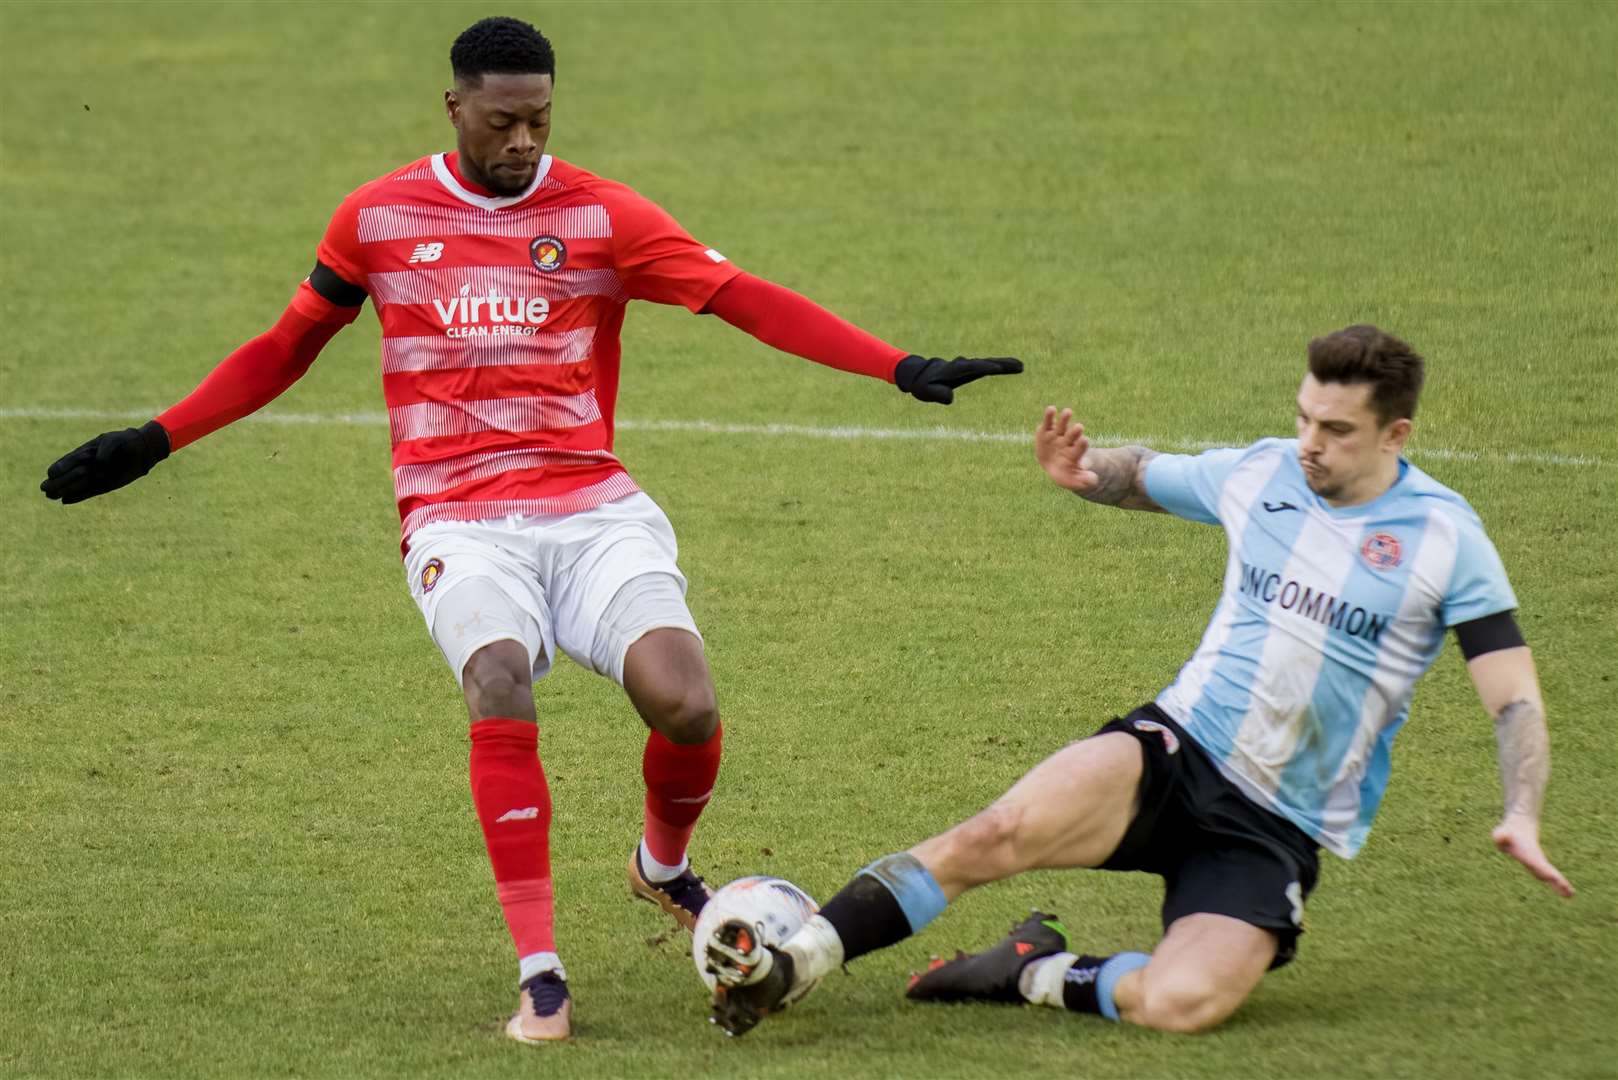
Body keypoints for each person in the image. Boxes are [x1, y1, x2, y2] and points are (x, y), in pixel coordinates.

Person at [37, 17, 1021, 1044]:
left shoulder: (600, 214)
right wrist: (155, 439)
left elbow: (741, 299)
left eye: (539, 122)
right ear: (453, 107)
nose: (521, 143)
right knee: (497, 676)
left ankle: (663, 868)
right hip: (455, 517)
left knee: (685, 704)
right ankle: (541, 973)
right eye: (502, 122)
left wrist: (896, 365)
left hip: (592, 511)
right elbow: (286, 347)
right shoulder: (375, 218)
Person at [705, 324, 1574, 1037]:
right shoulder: (1265, 471)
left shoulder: (1443, 539)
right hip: (1175, 749)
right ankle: (790, 964)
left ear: (1396, 435)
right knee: (994, 832)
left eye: (1337, 431)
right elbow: (1145, 474)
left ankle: (1031, 971)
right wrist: (1086, 473)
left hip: (1276, 825)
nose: (1311, 443)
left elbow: (1514, 694)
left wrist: (1522, 811)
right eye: (1307, 418)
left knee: (1180, 1004)